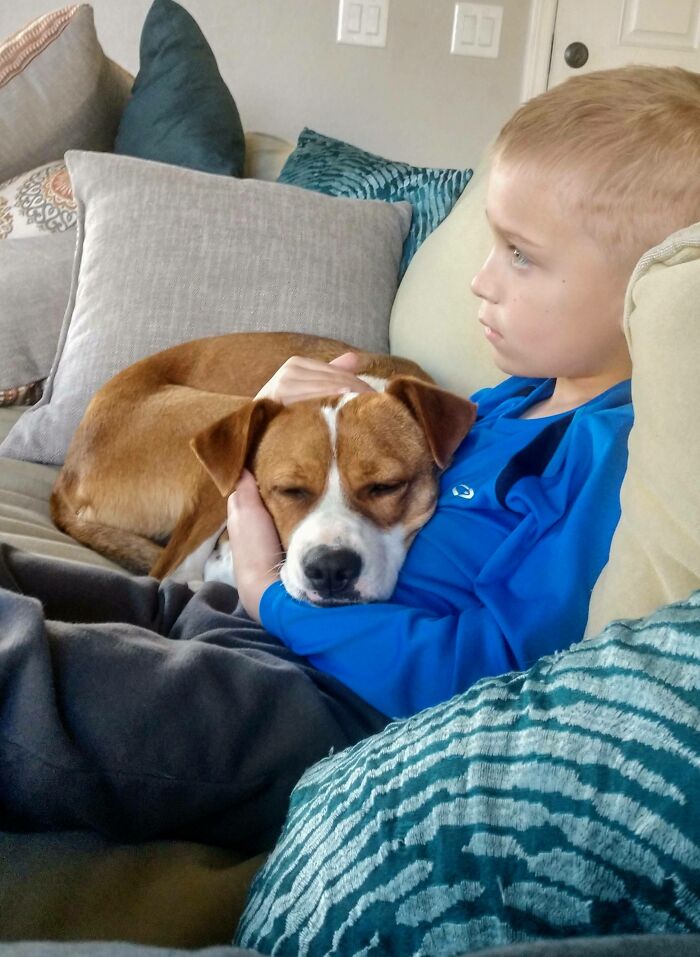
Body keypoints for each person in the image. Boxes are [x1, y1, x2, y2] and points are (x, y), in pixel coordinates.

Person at [1, 65, 699, 854]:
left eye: (520, 256)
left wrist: (272, 596)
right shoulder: (505, 402)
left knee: (41, 690)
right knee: (23, 574)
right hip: (246, 626)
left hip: (326, 707)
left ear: (650, 284)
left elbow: (494, 665)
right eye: (489, 247)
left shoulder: (607, 454)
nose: (480, 282)